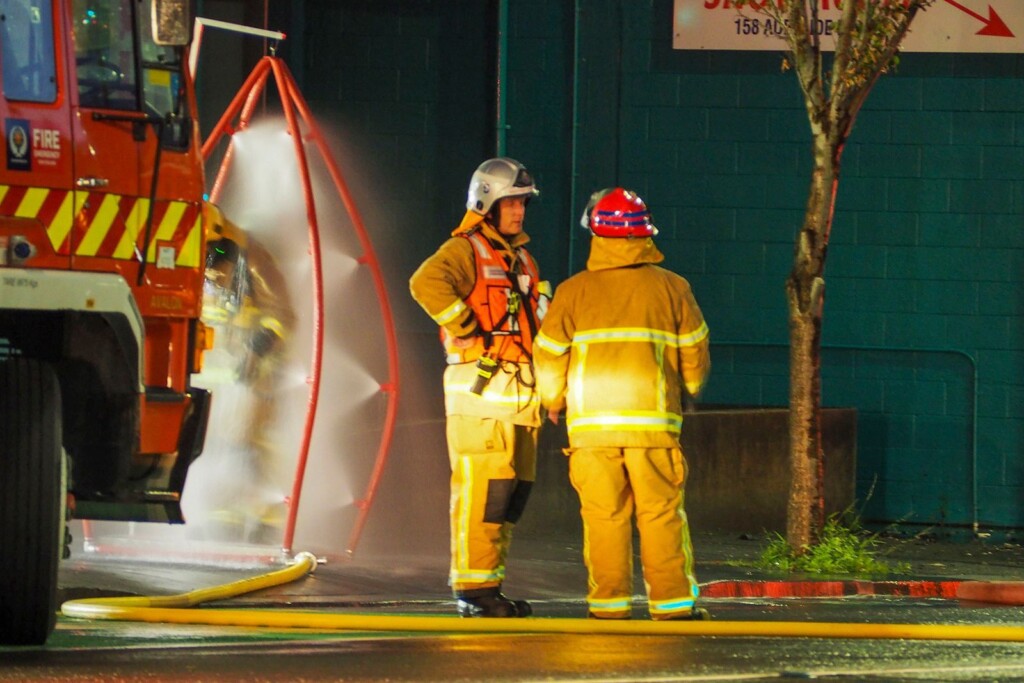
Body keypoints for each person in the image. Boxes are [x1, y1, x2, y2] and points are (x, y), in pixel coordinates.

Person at [534, 187, 711, 621]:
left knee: (604, 518)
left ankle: (608, 607)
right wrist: (690, 387)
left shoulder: (573, 292)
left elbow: (548, 353)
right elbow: (695, 352)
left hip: (592, 431)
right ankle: (672, 606)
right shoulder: (673, 288)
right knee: (661, 515)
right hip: (652, 428)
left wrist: (552, 399)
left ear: (596, 232)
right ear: (644, 233)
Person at [409, 157, 552, 618]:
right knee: (484, 494)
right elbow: (424, 282)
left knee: (510, 495)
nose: (519, 211)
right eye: (511, 202)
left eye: (523, 203)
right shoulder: (464, 250)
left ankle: (490, 584)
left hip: (520, 396)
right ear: (486, 203)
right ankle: (474, 592)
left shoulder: (522, 256)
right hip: (482, 395)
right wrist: (465, 325)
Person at [198, 206, 296, 543]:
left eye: (213, 250)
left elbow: (282, 314)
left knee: (249, 444)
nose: (209, 261)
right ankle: (219, 516)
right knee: (215, 442)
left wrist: (258, 347)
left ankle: (262, 520)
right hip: (216, 368)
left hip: (257, 369)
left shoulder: (251, 258)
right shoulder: (199, 258)